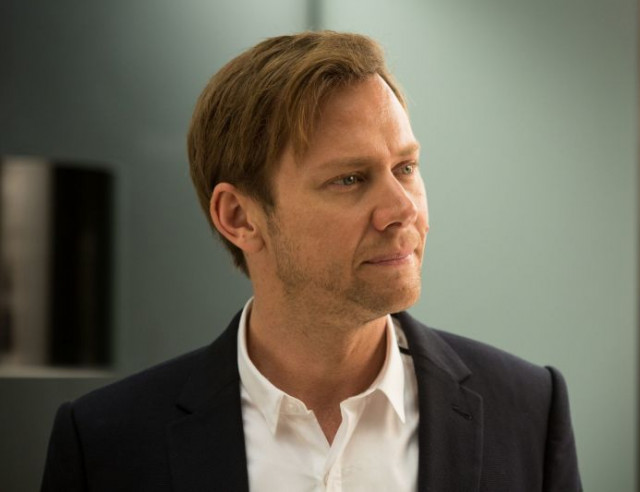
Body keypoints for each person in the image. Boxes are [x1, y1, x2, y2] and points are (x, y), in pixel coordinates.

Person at [41, 31, 582, 491]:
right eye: (349, 179)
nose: (402, 210)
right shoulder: (107, 446)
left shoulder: (528, 411)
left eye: (406, 168)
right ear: (239, 217)